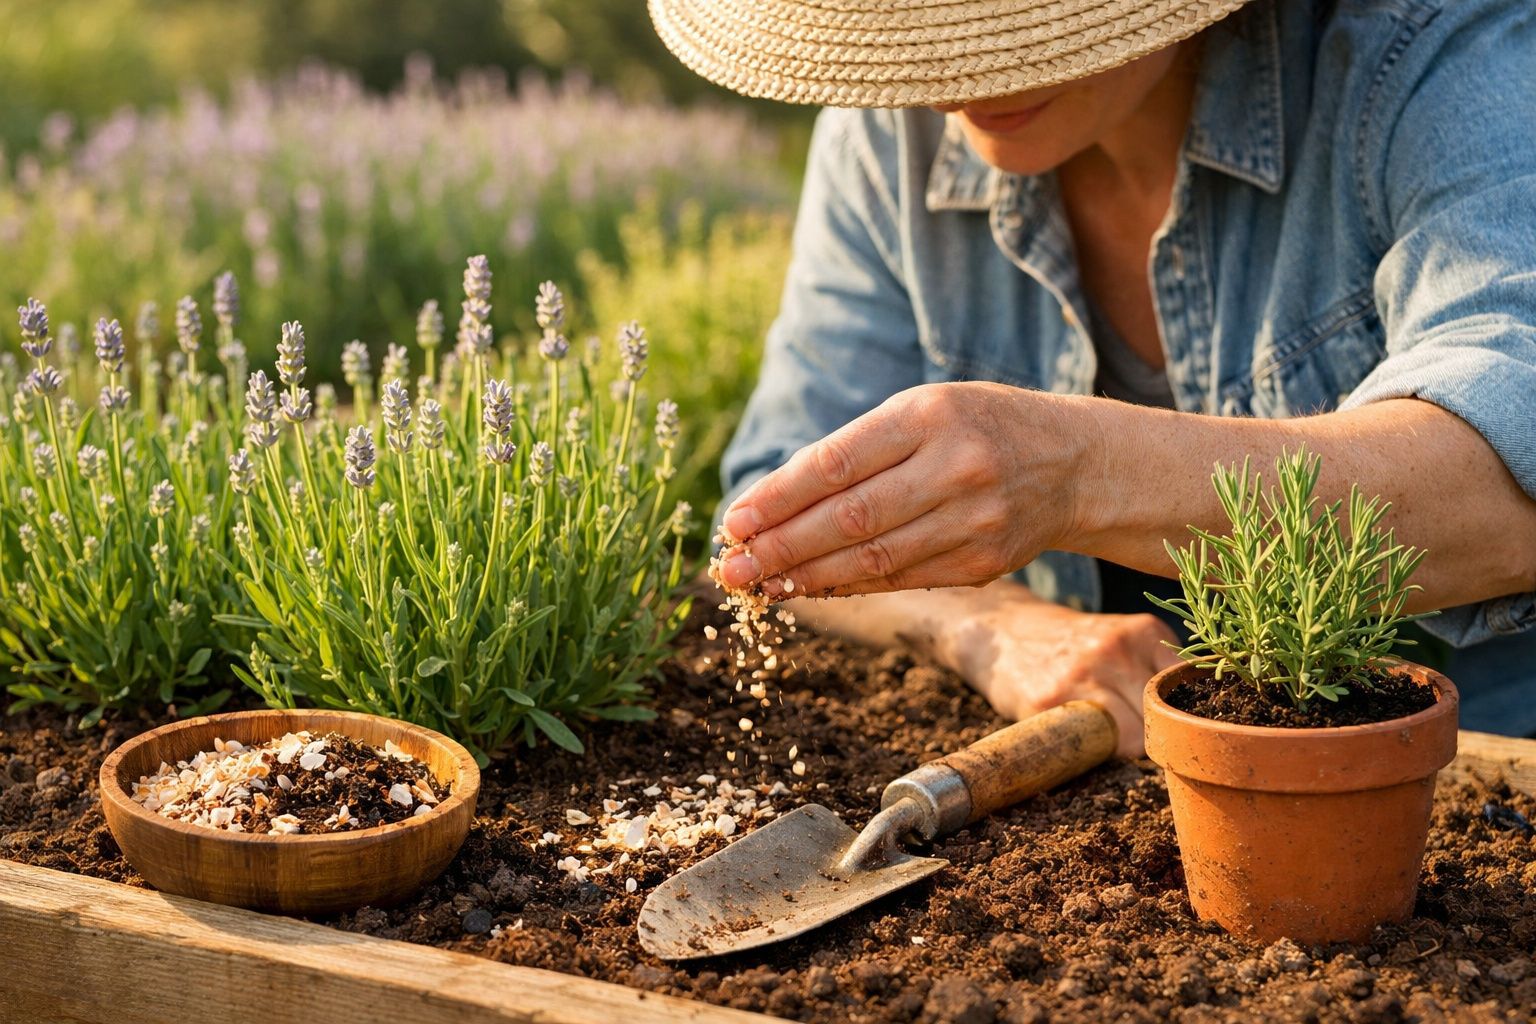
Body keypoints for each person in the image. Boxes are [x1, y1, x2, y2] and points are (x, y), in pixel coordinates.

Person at [648, 0, 1536, 753]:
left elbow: (1509, 476)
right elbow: (778, 511)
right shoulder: (889, 133)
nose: (955, 82)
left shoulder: (1430, 51)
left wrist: (1078, 469)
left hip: (1476, 774)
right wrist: (996, 626)